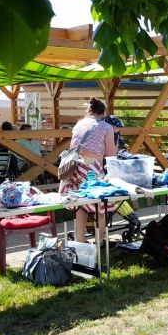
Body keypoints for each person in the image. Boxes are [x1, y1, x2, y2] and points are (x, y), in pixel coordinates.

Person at [59, 97, 117, 242]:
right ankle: (100, 241)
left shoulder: (79, 124)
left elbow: (74, 145)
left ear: (90, 111)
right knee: (100, 205)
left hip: (75, 166)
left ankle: (80, 241)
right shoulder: (106, 127)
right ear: (103, 112)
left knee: (80, 205)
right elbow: (110, 154)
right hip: (92, 167)